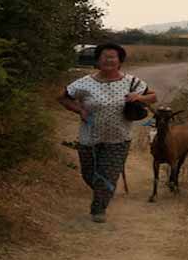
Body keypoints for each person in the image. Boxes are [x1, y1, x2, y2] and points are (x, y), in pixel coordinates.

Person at [58, 42, 157, 223]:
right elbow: (63, 97)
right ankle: (104, 192)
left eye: (113, 57)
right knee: (89, 175)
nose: (109, 60)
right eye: (105, 57)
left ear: (120, 61)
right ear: (98, 60)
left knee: (109, 174)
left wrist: (139, 97)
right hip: (89, 138)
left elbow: (153, 96)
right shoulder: (84, 83)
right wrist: (79, 110)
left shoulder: (131, 82)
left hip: (119, 139)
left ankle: (99, 209)